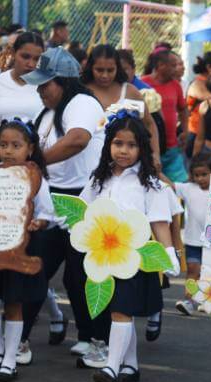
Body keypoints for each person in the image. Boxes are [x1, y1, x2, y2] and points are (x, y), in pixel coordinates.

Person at [78, 113, 179, 382]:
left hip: (134, 256)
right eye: (118, 143)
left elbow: (160, 221)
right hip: (104, 256)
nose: (124, 150)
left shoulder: (151, 184)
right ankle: (130, 364)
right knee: (120, 310)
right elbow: (83, 212)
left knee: (121, 309)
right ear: (108, 145)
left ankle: (111, 367)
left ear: (142, 148)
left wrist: (169, 254)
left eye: (131, 145)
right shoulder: (99, 179)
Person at [23, 47, 107, 359]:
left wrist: (35, 162)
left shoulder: (82, 103)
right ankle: (18, 336)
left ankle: (94, 338)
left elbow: (77, 140)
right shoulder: (44, 114)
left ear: (64, 81)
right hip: (50, 199)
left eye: (45, 84)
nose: (40, 90)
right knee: (36, 268)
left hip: (83, 200)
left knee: (80, 274)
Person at [0, 119, 56, 380]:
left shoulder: (35, 178)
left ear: (29, 149)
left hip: (22, 247)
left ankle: (10, 357)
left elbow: (47, 211)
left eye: (16, 145)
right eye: (3, 145)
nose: (8, 151)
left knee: (13, 302)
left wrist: (39, 221)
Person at [82, 45, 161, 175]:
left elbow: (149, 123)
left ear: (117, 68)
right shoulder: (81, 91)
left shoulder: (129, 92)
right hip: (84, 168)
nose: (105, 75)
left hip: (123, 169)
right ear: (90, 67)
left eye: (110, 70)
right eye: (99, 70)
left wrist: (155, 154)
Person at [175, 152, 211, 315]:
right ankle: (188, 301)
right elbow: (170, 186)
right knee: (192, 270)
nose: (200, 178)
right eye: (196, 175)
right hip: (193, 240)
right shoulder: (188, 188)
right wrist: (156, 170)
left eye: (204, 174)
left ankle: (208, 300)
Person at [0, 31, 45, 141]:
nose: (31, 64)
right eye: (25, 57)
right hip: (1, 154)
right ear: (13, 53)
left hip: (35, 154)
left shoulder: (46, 84)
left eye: (37, 59)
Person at [143, 48, 189, 182]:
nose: (177, 69)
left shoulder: (176, 85)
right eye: (173, 65)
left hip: (172, 147)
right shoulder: (143, 84)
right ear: (160, 66)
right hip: (149, 147)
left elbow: (183, 109)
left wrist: (185, 131)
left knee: (179, 185)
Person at [186, 51, 211, 157]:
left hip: (205, 133)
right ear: (209, 67)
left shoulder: (210, 83)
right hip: (195, 132)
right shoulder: (198, 84)